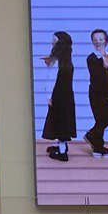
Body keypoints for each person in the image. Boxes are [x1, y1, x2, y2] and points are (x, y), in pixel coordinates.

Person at [40, 31, 75, 162]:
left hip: (57, 96)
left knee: (59, 122)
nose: (52, 43)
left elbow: (51, 79)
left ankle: (62, 151)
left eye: (54, 42)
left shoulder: (57, 60)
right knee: (64, 120)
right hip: (67, 96)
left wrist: (48, 95)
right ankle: (61, 145)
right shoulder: (67, 61)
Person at [84, 29, 108, 157]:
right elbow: (96, 76)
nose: (98, 42)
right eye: (95, 40)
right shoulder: (91, 58)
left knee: (107, 120)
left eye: (100, 39)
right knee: (100, 120)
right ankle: (97, 145)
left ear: (106, 41)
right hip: (96, 93)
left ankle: (95, 143)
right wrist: (103, 65)